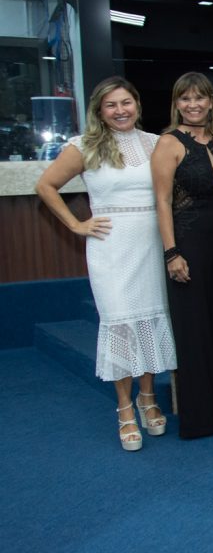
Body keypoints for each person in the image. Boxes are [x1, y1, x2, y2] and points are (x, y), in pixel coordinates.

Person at [36, 77, 176, 451]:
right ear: (99, 110)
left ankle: (149, 398)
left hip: (151, 245)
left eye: (126, 102)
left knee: (149, 319)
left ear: (137, 105)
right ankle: (125, 409)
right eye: (111, 105)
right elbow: (45, 186)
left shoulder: (155, 143)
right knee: (121, 323)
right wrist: (76, 225)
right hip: (111, 249)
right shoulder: (83, 146)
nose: (120, 111)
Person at [151, 71, 213, 439]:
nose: (193, 105)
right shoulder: (168, 143)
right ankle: (200, 418)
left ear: (211, 102)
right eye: (185, 99)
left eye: (200, 98)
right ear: (176, 104)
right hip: (186, 245)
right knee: (194, 332)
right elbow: (161, 202)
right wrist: (171, 252)